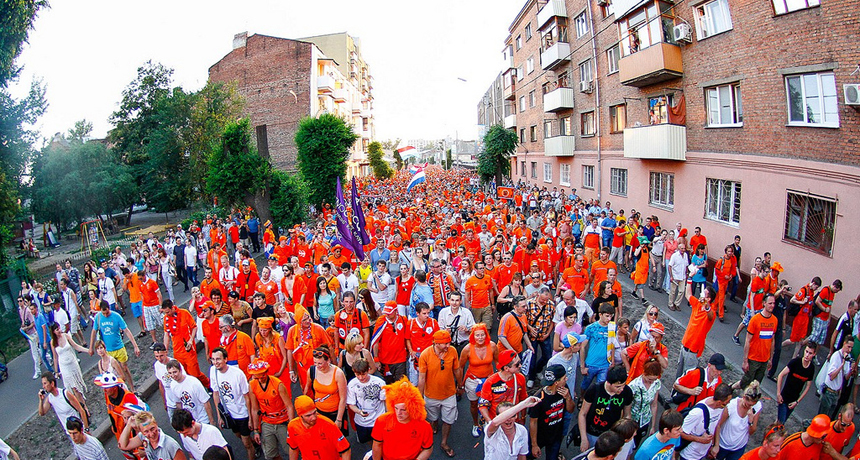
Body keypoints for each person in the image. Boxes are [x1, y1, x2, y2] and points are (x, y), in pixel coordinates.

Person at [418, 329, 461, 456]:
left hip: (449, 394)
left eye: (449, 342)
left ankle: (444, 442)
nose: (448, 346)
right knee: (432, 417)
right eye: (445, 344)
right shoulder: (425, 355)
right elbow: (421, 378)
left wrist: (460, 385)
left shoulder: (452, 351)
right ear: (436, 343)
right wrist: (419, 396)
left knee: (448, 420)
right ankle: (434, 423)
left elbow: (457, 370)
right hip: (431, 395)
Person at [210, 347, 255, 460]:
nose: (216, 362)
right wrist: (219, 415)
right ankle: (254, 443)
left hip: (242, 413)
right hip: (229, 414)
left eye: (218, 359)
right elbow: (216, 394)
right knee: (238, 435)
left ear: (225, 359)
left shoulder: (237, 374)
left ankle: (252, 452)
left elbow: (246, 396)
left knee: (246, 444)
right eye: (213, 359)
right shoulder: (213, 372)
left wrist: (250, 418)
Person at [371, 378, 434, 460]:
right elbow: (377, 445)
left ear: (413, 408)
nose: (398, 413)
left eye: (403, 410)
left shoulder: (424, 426)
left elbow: (428, 449)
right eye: (396, 408)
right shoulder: (382, 421)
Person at [248, 357, 296, 460]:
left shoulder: (278, 384)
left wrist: (291, 426)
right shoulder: (252, 385)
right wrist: (256, 430)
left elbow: (289, 406)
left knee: (291, 450)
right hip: (267, 422)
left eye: (263, 376)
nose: (261, 379)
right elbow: (255, 409)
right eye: (258, 377)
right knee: (270, 454)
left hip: (282, 421)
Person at [89, 300, 140, 392]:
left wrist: (135, 346)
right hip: (108, 349)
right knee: (113, 370)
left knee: (124, 367)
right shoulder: (98, 317)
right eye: (103, 313)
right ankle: (120, 389)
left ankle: (132, 388)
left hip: (119, 347)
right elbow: (94, 331)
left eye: (107, 312)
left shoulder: (116, 316)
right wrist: (91, 347)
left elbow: (126, 330)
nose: (105, 315)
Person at [579, 365, 633, 452]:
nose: (622, 389)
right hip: (592, 433)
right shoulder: (595, 389)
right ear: (608, 383)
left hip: (612, 434)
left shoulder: (627, 392)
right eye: (618, 387)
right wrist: (584, 438)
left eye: (623, 385)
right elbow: (583, 413)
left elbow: (627, 414)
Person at [459, 323, 498, 437]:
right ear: (473, 336)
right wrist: (460, 384)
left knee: (489, 403)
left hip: (489, 380)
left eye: (482, 335)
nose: (480, 338)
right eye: (477, 335)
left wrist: (501, 377)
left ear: (486, 335)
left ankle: (487, 421)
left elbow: (497, 361)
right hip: (472, 380)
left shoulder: (492, 346)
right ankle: (476, 424)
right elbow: (461, 367)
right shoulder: (467, 349)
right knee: (474, 403)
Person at [162, 299, 210, 389]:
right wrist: (165, 350)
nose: (166, 314)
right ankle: (191, 391)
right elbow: (166, 334)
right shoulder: (166, 318)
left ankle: (208, 385)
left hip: (188, 349)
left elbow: (194, 327)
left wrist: (191, 340)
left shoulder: (184, 313)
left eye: (168, 312)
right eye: (165, 312)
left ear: (172, 308)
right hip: (177, 351)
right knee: (182, 374)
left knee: (195, 373)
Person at [529, 364, 574, 460]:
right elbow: (533, 422)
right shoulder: (538, 398)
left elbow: (571, 410)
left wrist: (568, 398)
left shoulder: (564, 390)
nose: (566, 379)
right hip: (540, 436)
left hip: (555, 436)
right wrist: (534, 445)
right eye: (564, 378)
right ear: (556, 382)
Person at [678, 383, 733, 460]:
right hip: (689, 455)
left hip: (702, 453)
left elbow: (717, 425)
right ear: (719, 402)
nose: (728, 404)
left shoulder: (720, 408)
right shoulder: (697, 413)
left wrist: (715, 445)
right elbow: (681, 433)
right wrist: (700, 439)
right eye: (727, 402)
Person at [287, 395, 351, 460]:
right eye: (308, 415)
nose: (314, 417)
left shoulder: (328, 425)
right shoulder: (293, 426)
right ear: (300, 415)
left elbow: (345, 450)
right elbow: (293, 448)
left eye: (314, 412)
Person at [676, 280, 717, 380]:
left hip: (693, 350)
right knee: (678, 374)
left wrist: (707, 307)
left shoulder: (711, 312)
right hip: (684, 345)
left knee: (687, 377)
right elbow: (688, 294)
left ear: (708, 298)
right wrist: (690, 278)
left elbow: (711, 316)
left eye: (704, 293)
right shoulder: (698, 304)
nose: (701, 294)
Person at [304, 344, 349, 434]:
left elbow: (343, 398)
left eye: (320, 363)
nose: (317, 366)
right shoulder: (312, 371)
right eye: (315, 363)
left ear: (328, 360)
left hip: (335, 414)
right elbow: (307, 391)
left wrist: (339, 419)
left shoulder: (338, 374)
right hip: (319, 413)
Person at [737, 294, 778, 391]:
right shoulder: (755, 320)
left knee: (756, 384)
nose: (772, 305)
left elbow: (772, 341)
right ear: (764, 303)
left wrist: (771, 359)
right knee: (746, 382)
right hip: (753, 358)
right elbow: (747, 340)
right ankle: (733, 388)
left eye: (774, 303)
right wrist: (745, 360)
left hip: (764, 359)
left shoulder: (775, 320)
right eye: (770, 303)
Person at [713, 381, 763, 460]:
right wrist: (716, 445)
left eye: (752, 405)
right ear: (744, 397)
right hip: (723, 445)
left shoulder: (757, 407)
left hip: (738, 448)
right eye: (747, 404)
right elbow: (718, 425)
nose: (749, 406)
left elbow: (751, 431)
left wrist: (750, 421)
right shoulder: (731, 406)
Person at [286, 306, 332, 389]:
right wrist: (291, 370)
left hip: (320, 368)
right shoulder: (292, 331)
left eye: (308, 318)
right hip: (302, 369)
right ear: (298, 321)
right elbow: (290, 350)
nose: (308, 321)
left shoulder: (318, 329)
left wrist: (333, 367)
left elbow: (330, 348)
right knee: (306, 389)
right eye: (304, 320)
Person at [479, 349, 528, 421]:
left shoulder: (520, 378)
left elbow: (523, 400)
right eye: (517, 365)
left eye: (520, 362)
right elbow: (483, 405)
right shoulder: (491, 382)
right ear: (506, 368)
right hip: (496, 421)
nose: (520, 366)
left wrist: (523, 417)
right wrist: (490, 423)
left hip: (513, 420)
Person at [346, 359, 387, 444]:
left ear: (368, 370)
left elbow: (385, 400)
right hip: (361, 422)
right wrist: (359, 411)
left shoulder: (379, 382)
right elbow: (351, 404)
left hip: (378, 421)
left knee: (379, 443)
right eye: (357, 375)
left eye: (363, 374)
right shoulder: (352, 385)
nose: (361, 378)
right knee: (367, 443)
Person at [775, 341, 815, 424]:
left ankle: (771, 432)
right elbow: (781, 375)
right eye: (806, 352)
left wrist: (797, 402)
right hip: (784, 398)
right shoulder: (795, 362)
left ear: (814, 354)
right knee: (781, 423)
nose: (807, 355)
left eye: (810, 353)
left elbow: (808, 386)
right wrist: (778, 394)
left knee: (780, 422)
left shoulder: (811, 368)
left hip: (793, 400)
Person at [118, 410, 185, 460]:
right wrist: (129, 425)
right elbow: (123, 446)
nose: (151, 434)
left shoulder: (170, 445)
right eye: (146, 431)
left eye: (152, 428)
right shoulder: (143, 437)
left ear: (156, 424)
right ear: (141, 431)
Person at [371, 301, 409, 383]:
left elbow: (407, 337)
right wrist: (376, 359)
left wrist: (409, 351)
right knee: (387, 385)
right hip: (385, 361)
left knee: (400, 385)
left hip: (400, 359)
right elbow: (375, 341)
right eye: (386, 313)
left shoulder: (403, 320)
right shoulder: (381, 321)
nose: (387, 315)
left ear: (396, 311)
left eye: (390, 313)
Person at [525, 286, 556, 388]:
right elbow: (523, 318)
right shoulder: (529, 304)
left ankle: (538, 370)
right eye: (542, 299)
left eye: (546, 300)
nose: (544, 302)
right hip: (532, 336)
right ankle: (531, 377)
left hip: (544, 335)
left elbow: (552, 320)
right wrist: (529, 328)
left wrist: (548, 333)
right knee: (532, 358)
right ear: (538, 295)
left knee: (547, 356)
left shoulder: (551, 305)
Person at [580, 304, 616, 390]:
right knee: (585, 386)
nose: (609, 319)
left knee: (601, 388)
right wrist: (582, 366)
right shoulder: (591, 328)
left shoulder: (613, 327)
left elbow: (612, 344)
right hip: (591, 364)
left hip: (605, 364)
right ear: (600, 315)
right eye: (607, 316)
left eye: (611, 316)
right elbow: (582, 347)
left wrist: (613, 361)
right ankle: (581, 399)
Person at [167, 359, 213, 425]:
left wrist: (211, 420)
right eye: (170, 373)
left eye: (175, 372)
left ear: (180, 370)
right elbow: (178, 403)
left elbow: (205, 402)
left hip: (202, 419)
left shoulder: (193, 382)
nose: (173, 375)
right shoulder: (173, 385)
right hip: (189, 421)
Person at [628, 360, 664, 445]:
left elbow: (654, 405)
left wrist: (653, 426)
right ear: (644, 373)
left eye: (654, 379)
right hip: (632, 420)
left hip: (645, 420)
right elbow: (627, 406)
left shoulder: (656, 383)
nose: (652, 382)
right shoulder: (634, 386)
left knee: (636, 443)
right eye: (650, 379)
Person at [820, 336, 855, 418]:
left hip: (836, 393)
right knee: (822, 418)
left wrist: (851, 369)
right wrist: (841, 365)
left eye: (851, 348)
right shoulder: (836, 356)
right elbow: (831, 376)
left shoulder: (847, 358)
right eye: (848, 347)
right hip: (829, 392)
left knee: (830, 418)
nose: (849, 350)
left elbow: (846, 377)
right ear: (844, 343)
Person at [466, 260, 495, 327]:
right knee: (476, 327)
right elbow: (467, 294)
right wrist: (468, 307)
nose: (482, 270)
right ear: (475, 269)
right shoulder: (470, 280)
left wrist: (492, 304)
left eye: (483, 268)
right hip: (475, 307)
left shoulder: (488, 278)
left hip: (486, 306)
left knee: (487, 326)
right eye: (480, 268)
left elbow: (491, 291)